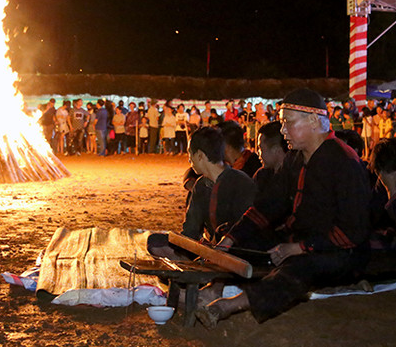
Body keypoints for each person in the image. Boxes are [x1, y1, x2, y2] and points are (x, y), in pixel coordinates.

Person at [197, 89, 370, 327]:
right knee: (237, 238)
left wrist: (301, 247)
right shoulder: (294, 158)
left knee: (299, 267)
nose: (283, 131)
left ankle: (227, 306)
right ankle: (213, 288)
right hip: (297, 239)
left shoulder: (344, 161)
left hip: (339, 251)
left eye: (288, 123)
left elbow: (354, 231)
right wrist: (230, 238)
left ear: (312, 120)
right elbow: (269, 206)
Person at [147, 127, 257, 258]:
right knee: (155, 241)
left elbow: (245, 227)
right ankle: (190, 262)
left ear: (200, 155)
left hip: (236, 250)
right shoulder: (200, 185)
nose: (189, 160)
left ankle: (191, 265)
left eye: (190, 153)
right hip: (210, 250)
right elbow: (190, 231)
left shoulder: (240, 181)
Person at [252, 121, 288, 197]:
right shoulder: (261, 175)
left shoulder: (292, 178)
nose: (258, 153)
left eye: (261, 149)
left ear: (275, 150)